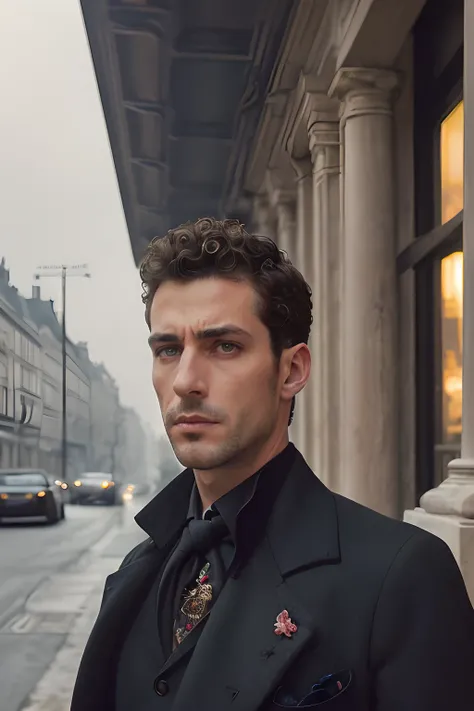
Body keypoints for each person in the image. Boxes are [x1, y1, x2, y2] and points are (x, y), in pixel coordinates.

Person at [71, 217, 474, 711]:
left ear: (292, 370)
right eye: (169, 349)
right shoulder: (139, 569)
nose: (186, 381)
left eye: (225, 346)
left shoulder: (403, 576)